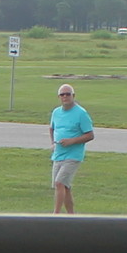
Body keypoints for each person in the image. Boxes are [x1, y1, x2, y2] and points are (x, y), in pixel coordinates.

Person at [48, 83, 93, 212]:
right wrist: (53, 143)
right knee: (65, 187)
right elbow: (52, 128)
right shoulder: (56, 112)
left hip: (73, 155)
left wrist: (72, 141)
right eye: (62, 94)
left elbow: (90, 135)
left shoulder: (81, 113)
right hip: (59, 154)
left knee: (59, 183)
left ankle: (55, 216)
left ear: (73, 96)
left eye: (68, 94)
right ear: (59, 97)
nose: (65, 97)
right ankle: (71, 216)